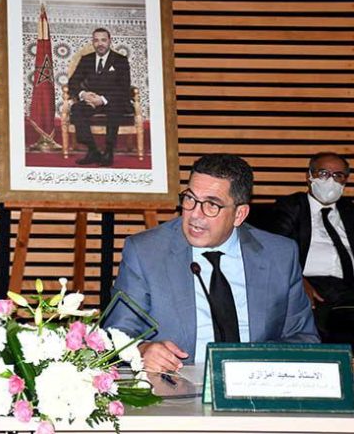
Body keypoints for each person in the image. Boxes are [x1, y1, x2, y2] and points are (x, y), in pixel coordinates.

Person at [105, 154, 319, 371]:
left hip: (258, 380)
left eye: (211, 205)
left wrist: (257, 362)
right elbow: (117, 332)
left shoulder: (279, 255)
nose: (195, 215)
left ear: (239, 214)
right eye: (190, 199)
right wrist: (142, 349)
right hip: (179, 382)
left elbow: (303, 338)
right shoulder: (146, 252)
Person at [270, 152, 354, 363]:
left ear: (345, 180)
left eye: (338, 175)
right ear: (309, 176)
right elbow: (276, 250)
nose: (330, 180)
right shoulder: (291, 207)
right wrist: (297, 281)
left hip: (350, 291)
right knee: (313, 332)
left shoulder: (353, 212)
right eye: (323, 173)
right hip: (310, 287)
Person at [68, 27, 131, 167]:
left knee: (114, 109)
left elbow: (124, 87)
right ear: (92, 42)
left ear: (109, 41)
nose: (100, 44)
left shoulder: (120, 60)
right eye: (96, 40)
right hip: (92, 100)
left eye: (103, 40)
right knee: (77, 108)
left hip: (113, 100)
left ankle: (108, 151)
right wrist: (84, 94)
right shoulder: (87, 59)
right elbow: (72, 82)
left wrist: (102, 99)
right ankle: (92, 150)